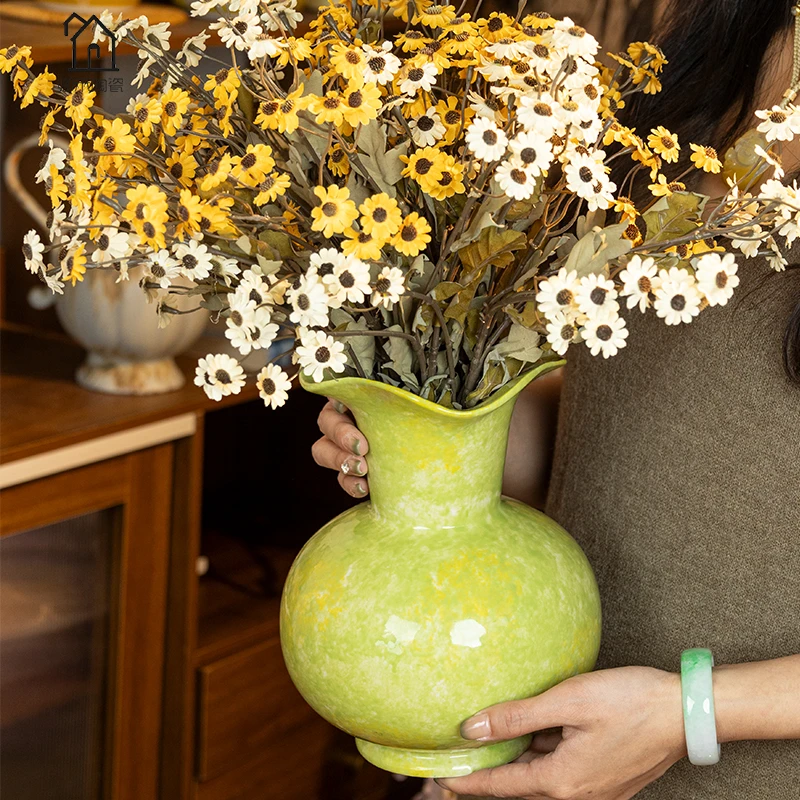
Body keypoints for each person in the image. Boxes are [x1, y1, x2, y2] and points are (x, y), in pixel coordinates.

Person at [311, 1, 800, 797]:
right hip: (535, 754)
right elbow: (632, 431)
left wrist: (691, 715)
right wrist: (439, 435)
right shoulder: (679, 109)